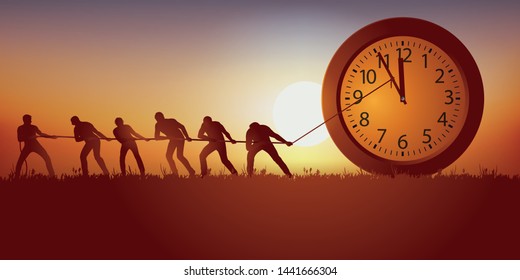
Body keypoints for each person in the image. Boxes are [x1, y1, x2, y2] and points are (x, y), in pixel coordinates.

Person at [154, 112, 195, 176]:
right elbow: (156, 137)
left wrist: (187, 137)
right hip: (172, 140)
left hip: (180, 138)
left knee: (179, 156)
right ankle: (175, 172)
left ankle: (191, 171)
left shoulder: (171, 121)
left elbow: (182, 127)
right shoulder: (157, 125)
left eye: (160, 119)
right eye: (157, 119)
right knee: (168, 156)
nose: (159, 121)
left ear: (163, 117)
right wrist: (168, 137)